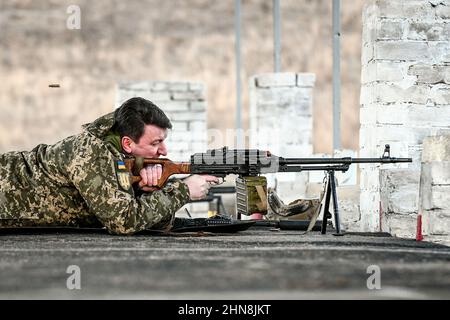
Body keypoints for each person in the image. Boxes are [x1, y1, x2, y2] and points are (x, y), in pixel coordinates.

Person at [0, 97, 219, 235]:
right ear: (127, 143)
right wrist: (183, 190)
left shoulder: (118, 157)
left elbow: (149, 223)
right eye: (156, 143)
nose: (164, 151)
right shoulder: (92, 153)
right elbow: (123, 221)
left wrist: (143, 190)